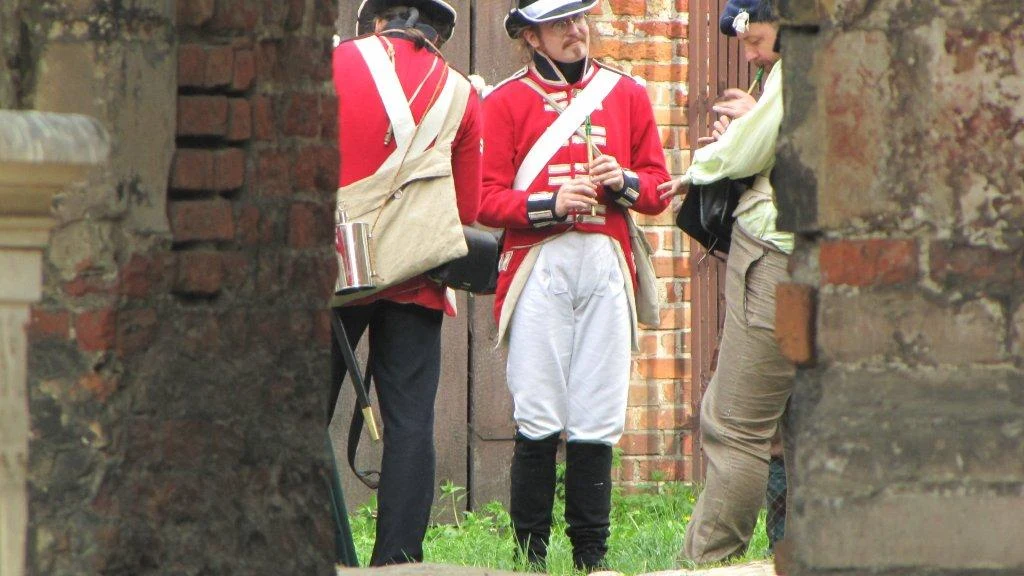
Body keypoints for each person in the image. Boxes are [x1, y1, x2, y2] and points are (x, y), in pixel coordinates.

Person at [477, 0, 670, 570]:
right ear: (531, 37)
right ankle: (530, 556)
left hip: (606, 262)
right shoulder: (505, 100)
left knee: (599, 411)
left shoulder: (627, 93)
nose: (576, 30)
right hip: (540, 265)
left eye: (579, 17)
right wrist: (550, 203)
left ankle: (592, 556)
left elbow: (658, 188)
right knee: (537, 410)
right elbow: (485, 201)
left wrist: (625, 180)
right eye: (560, 22)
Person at [328, 0, 481, 565]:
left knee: (303, 416)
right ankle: (397, 560)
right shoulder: (462, 92)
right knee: (411, 423)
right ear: (436, 34)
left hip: (337, 268)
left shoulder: (336, 63)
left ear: (375, 22)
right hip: (416, 276)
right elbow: (462, 211)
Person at [658, 0, 794, 564]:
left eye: (756, 39)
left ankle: (709, 562)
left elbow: (755, 149)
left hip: (779, 254)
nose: (751, 53)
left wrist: (698, 168)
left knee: (735, 424)